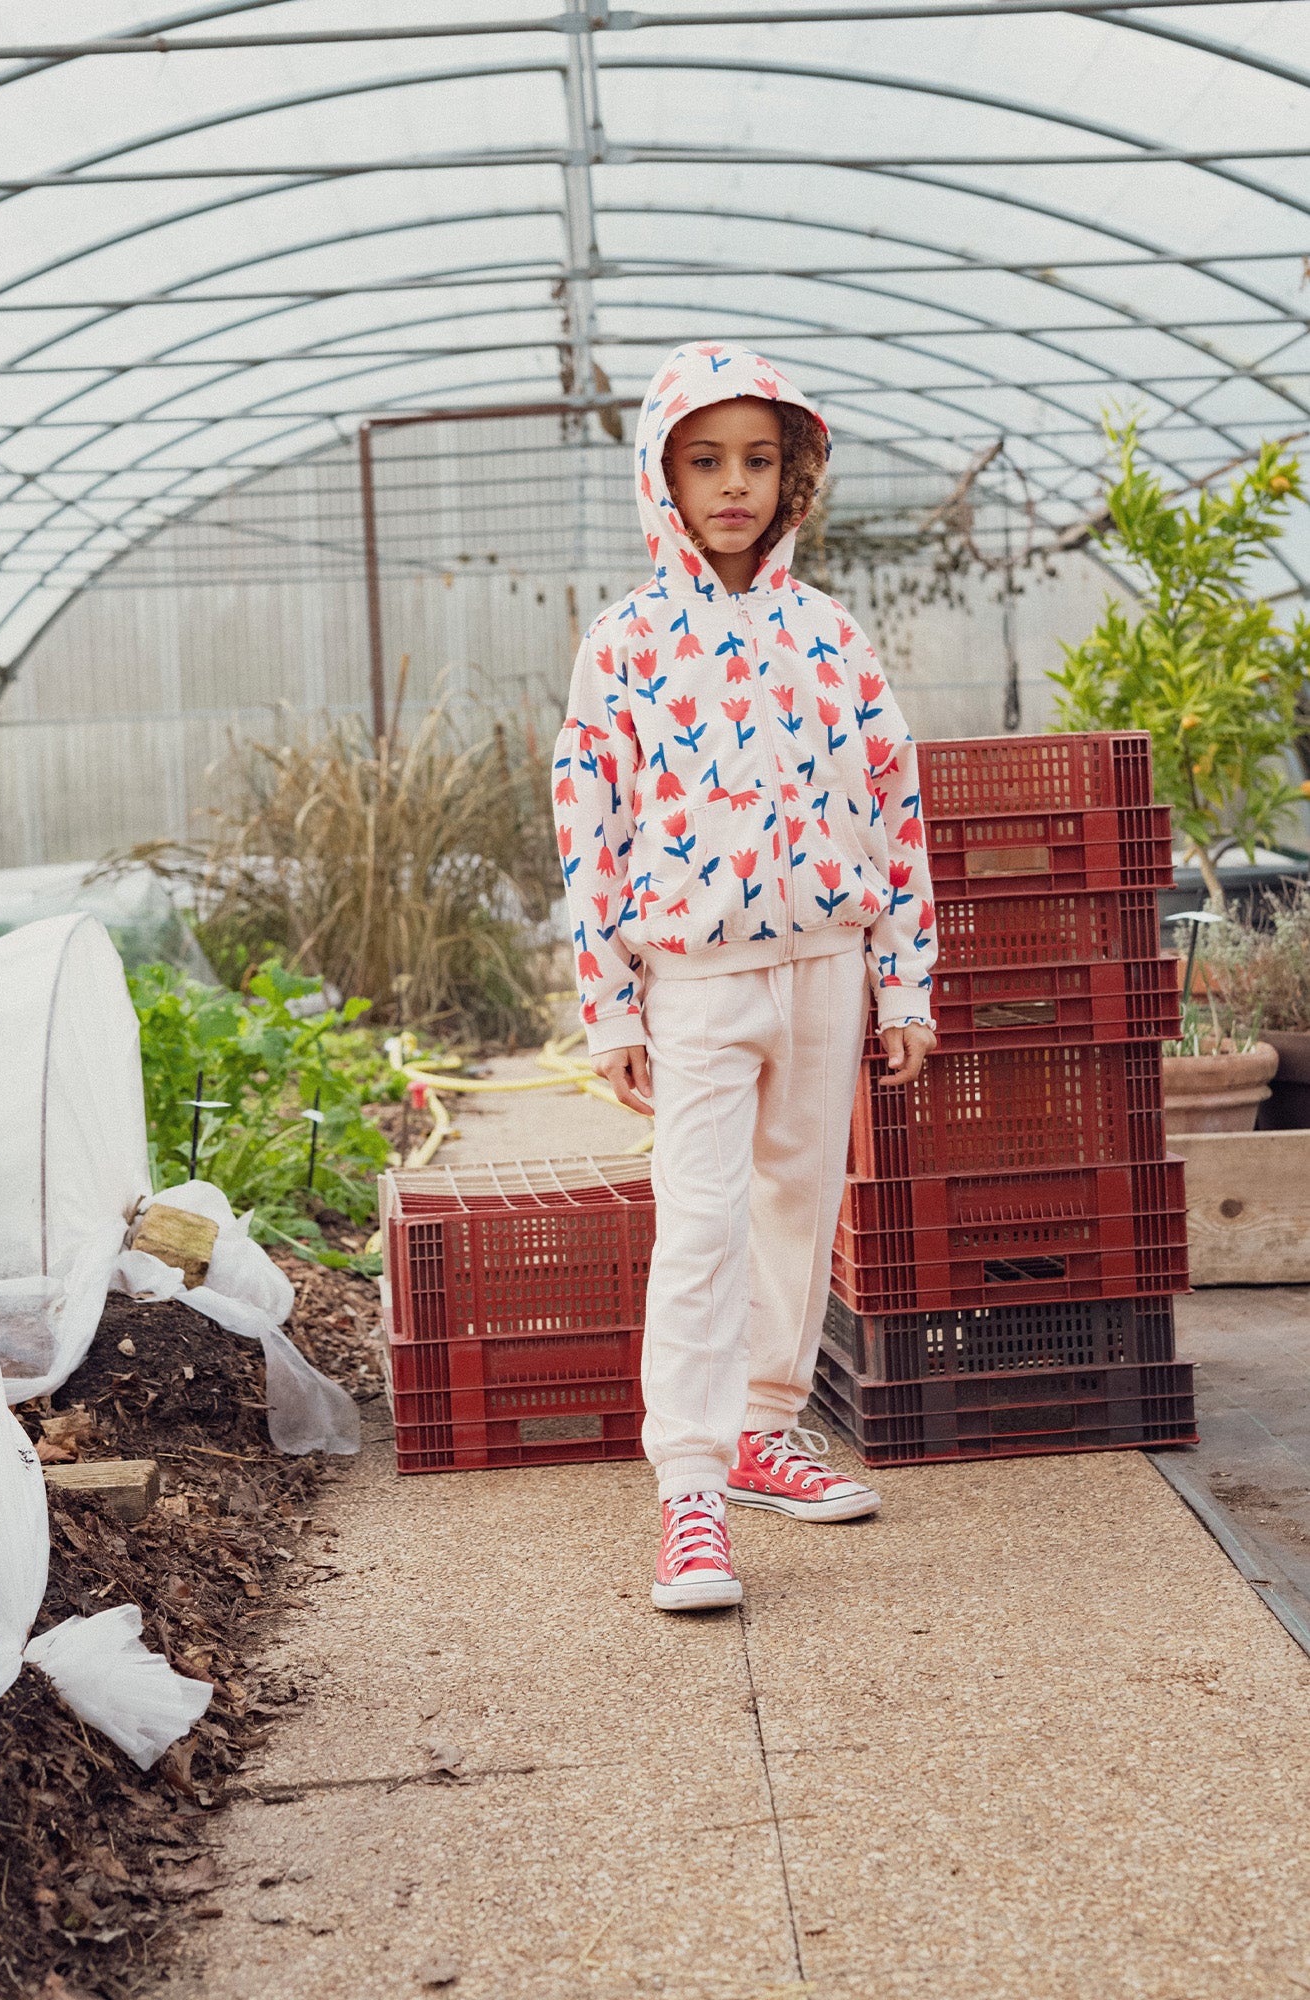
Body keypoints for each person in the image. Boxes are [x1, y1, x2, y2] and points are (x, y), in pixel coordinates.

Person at [552, 341, 938, 1611]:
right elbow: (589, 830)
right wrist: (611, 1003)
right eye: (706, 459)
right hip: (700, 979)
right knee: (703, 1220)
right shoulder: (625, 644)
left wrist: (907, 982)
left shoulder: (830, 634)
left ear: (795, 474)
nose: (734, 485)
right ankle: (691, 1488)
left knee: (797, 1205)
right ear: (662, 475)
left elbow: (896, 805)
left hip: (828, 967)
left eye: (759, 459)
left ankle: (768, 1423)